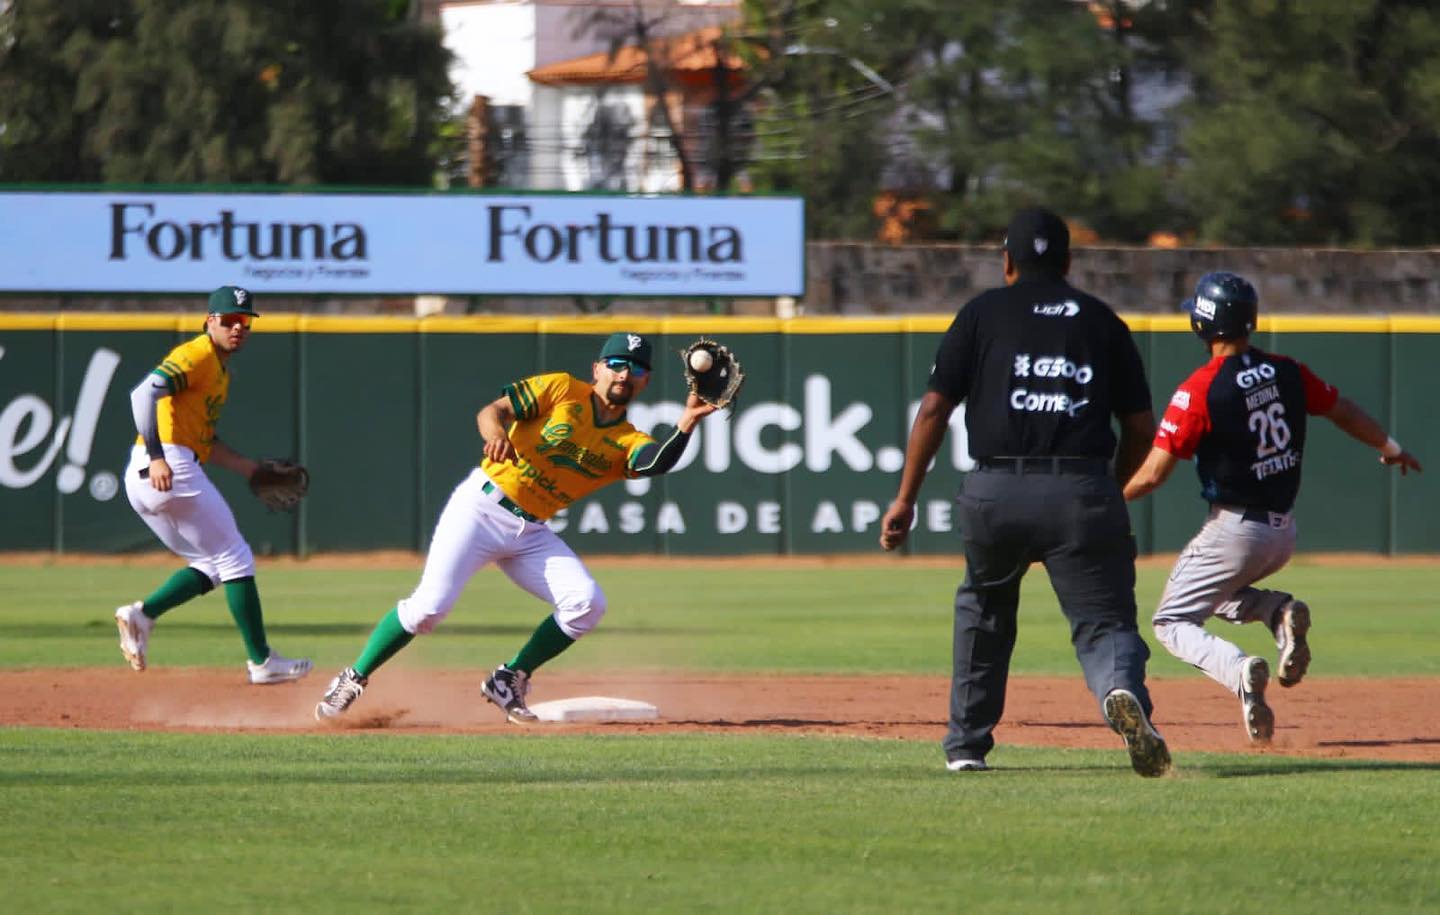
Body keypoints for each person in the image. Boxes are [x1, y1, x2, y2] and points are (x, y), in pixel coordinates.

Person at [879, 207, 1171, 777]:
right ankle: (1119, 690)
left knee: (984, 611)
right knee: (1106, 623)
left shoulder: (981, 313)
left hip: (996, 490)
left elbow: (935, 409)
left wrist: (905, 498)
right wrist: (1107, 489)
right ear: (1067, 262)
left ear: (1006, 261)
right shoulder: (1101, 321)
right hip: (1080, 487)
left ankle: (966, 746)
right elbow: (1141, 428)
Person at [314, 332, 717, 722]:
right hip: (481, 509)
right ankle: (352, 678)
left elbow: (655, 462)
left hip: (532, 532)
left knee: (586, 603)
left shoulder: (627, 438)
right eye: (616, 364)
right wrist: (494, 435)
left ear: (646, 380)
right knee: (428, 609)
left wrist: (688, 420)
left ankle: (508, 678)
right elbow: (493, 412)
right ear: (597, 368)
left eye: (636, 368)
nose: (624, 374)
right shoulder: (561, 389)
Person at [1123, 272, 1422, 743]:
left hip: (1234, 529)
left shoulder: (1199, 388)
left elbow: (1155, 472)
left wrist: (1106, 498)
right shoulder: (1287, 370)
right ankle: (1277, 611)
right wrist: (1390, 446)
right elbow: (1342, 409)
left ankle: (1240, 670)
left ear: (1202, 324)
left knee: (1172, 621)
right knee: (1214, 594)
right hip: (1282, 532)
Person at [115, 286, 313, 685]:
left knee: (212, 563)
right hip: (164, 464)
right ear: (210, 322)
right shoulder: (198, 353)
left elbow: (206, 442)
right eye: (228, 321)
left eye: (244, 321)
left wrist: (248, 468)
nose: (237, 328)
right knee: (236, 556)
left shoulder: (219, 372)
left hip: (145, 477)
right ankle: (262, 662)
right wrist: (157, 455)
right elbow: (142, 395)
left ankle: (142, 614)